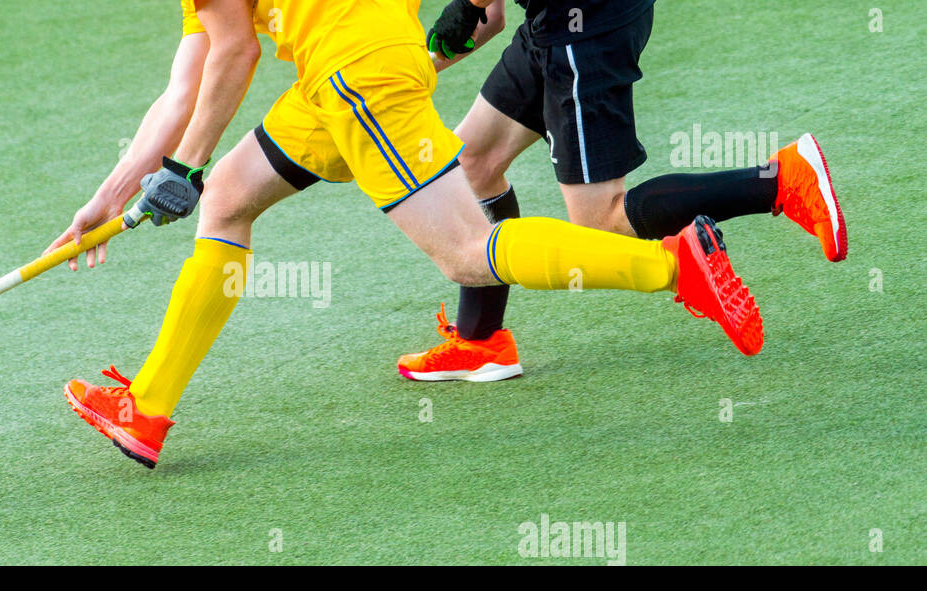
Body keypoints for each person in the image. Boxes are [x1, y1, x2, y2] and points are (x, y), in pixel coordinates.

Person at [52, 0, 761, 469]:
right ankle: (147, 409)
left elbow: (234, 55)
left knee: (465, 251)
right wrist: (108, 200)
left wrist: (186, 165)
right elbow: (188, 79)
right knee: (229, 202)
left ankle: (674, 267)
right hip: (348, 70)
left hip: (354, 77)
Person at [399, 0, 846, 382]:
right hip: (563, 20)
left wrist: (461, 13)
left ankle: (779, 181)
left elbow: (479, 7)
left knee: (599, 220)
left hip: (583, 28)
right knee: (475, 159)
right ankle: (482, 342)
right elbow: (488, 16)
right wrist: (420, 62)